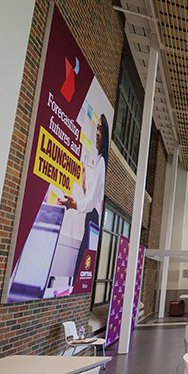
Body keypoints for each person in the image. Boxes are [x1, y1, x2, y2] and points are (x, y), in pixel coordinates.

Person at [59, 114, 108, 280]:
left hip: (92, 216)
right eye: (97, 128)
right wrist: (85, 184)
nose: (97, 133)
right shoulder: (99, 161)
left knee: (83, 259)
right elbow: (92, 196)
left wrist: (74, 204)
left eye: (100, 129)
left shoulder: (102, 164)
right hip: (91, 216)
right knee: (83, 256)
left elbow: (91, 202)